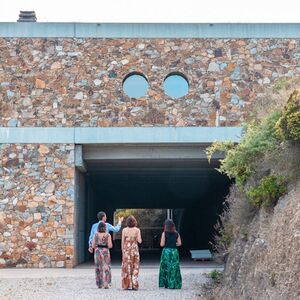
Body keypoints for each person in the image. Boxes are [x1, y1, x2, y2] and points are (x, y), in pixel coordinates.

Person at [159, 219, 182, 289]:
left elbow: (162, 244)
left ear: (166, 226)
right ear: (173, 226)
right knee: (174, 267)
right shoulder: (176, 233)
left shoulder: (164, 233)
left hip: (166, 252)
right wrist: (174, 244)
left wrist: (167, 243)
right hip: (174, 251)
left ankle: (166, 284)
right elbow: (180, 243)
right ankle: (174, 284)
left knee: (165, 267)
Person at [121, 215, 142, 290]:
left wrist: (122, 251)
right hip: (134, 250)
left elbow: (122, 242)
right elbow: (140, 241)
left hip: (126, 250)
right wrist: (135, 237)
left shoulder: (124, 230)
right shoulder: (137, 230)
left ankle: (126, 285)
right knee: (135, 266)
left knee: (126, 267)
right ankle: (135, 285)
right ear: (134, 222)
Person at [92, 221, 113, 288]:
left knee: (98, 267)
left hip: (97, 251)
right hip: (105, 251)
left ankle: (99, 284)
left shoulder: (95, 234)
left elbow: (93, 246)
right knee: (106, 267)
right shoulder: (108, 235)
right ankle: (106, 283)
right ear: (105, 228)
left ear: (98, 227)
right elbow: (110, 246)